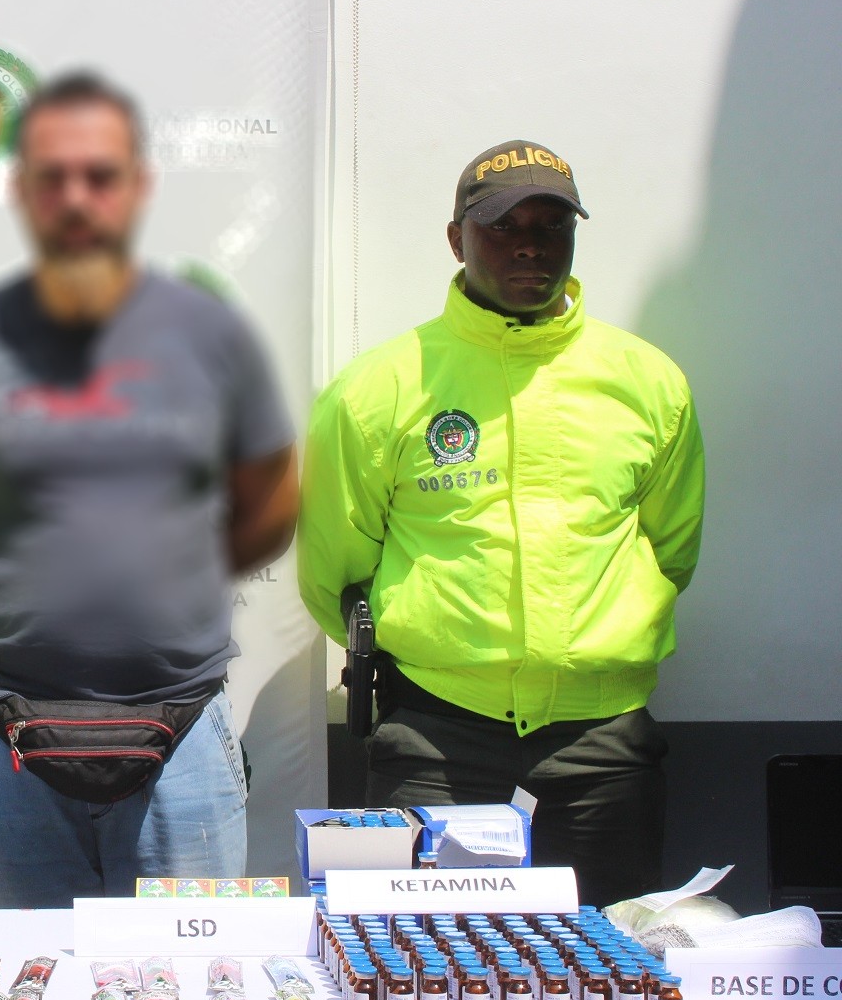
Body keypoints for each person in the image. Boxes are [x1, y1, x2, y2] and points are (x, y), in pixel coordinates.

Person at [0, 73, 300, 908]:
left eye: (100, 176)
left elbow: (272, 509)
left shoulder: (214, 339)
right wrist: (18, 616)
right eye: (53, 177)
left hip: (183, 733)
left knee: (191, 982)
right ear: (20, 190)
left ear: (138, 186)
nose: (76, 197)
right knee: (21, 985)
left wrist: (158, 598)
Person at [298, 140, 705, 906]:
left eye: (552, 225)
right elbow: (335, 570)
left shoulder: (648, 381)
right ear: (457, 240)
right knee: (424, 958)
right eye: (502, 225)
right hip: (438, 739)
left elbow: (670, 551)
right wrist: (451, 656)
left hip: (602, 744)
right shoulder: (379, 388)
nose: (529, 244)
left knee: (605, 959)